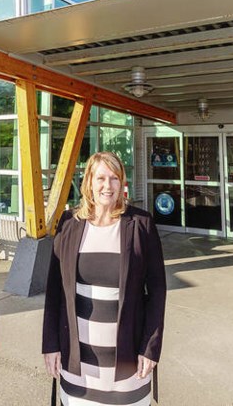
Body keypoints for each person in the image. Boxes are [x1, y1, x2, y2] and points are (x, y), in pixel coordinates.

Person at [43, 152, 167, 405]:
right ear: (88, 181)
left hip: (128, 361)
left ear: (122, 183)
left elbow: (157, 291)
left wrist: (150, 348)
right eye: (100, 177)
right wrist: (51, 344)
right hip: (78, 362)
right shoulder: (69, 223)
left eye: (114, 178)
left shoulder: (141, 224)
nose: (107, 185)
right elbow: (55, 291)